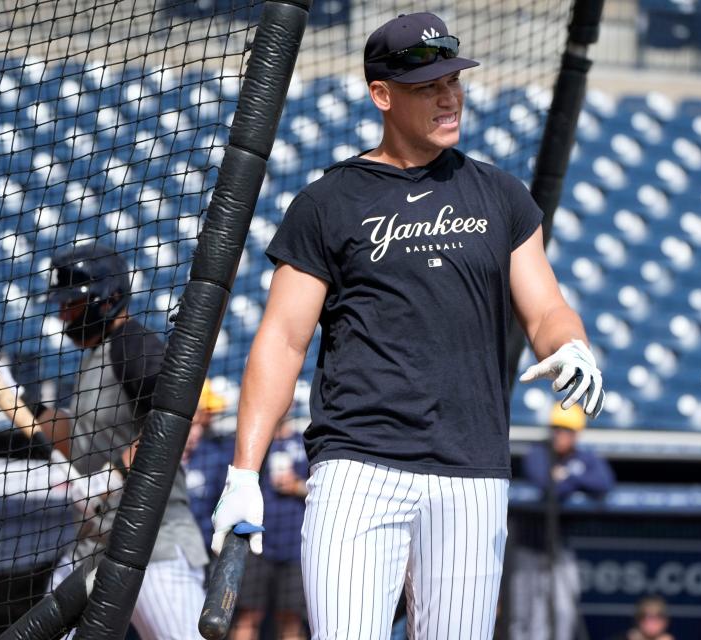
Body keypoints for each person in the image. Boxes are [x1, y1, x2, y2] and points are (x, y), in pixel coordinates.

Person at [211, 11, 606, 640]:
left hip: (471, 474)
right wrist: (242, 473)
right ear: (382, 95)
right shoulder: (328, 201)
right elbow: (282, 340)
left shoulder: (500, 195)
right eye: (428, 86)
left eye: (453, 81)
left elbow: (546, 307)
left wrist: (572, 343)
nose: (449, 96)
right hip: (357, 468)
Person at [0, 243, 207, 639]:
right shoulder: (94, 356)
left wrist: (116, 474)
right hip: (94, 543)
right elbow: (72, 438)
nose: (62, 314)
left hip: (152, 543)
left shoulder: (132, 345)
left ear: (108, 298)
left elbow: (185, 414)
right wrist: (13, 394)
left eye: (72, 304)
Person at [510, 403, 615, 640]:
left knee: (564, 611)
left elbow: (604, 482)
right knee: (525, 616)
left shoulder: (583, 456)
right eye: (556, 428)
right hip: (528, 547)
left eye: (566, 430)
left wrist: (569, 475)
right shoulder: (538, 452)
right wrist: (572, 479)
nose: (560, 434)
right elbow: (547, 486)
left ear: (576, 434)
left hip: (558, 548)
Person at [231, 412, 309, 640]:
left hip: (295, 545)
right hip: (256, 541)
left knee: (291, 619)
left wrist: (296, 486)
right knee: (248, 615)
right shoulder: (254, 443)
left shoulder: (304, 442)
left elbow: (323, 490)